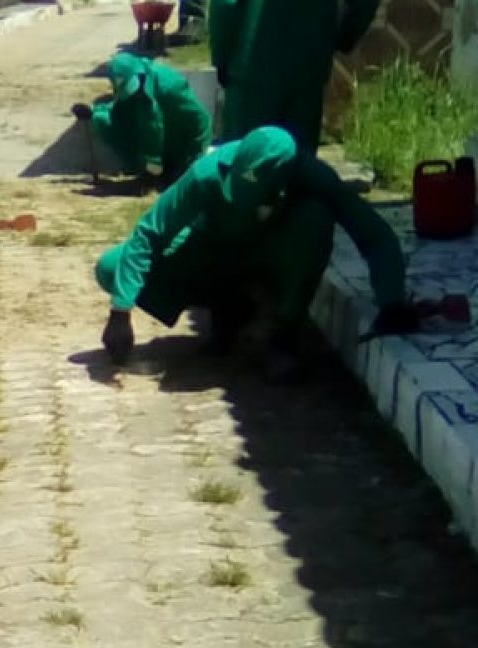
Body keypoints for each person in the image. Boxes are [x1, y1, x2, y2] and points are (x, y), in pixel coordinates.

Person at [94, 126, 417, 381]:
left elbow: (373, 235)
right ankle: (229, 307)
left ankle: (282, 334)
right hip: (211, 252)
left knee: (316, 219)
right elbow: (149, 233)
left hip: (264, 257)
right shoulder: (207, 173)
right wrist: (120, 312)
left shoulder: (313, 178)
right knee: (111, 267)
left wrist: (391, 301)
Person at [210, 0, 379, 152]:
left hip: (251, 67)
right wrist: (343, 37)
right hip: (308, 67)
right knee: (298, 163)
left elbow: (224, 4)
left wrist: (221, 56)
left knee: (244, 159)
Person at [72, 51, 211, 188]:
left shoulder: (168, 85)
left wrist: (154, 162)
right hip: (164, 144)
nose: (134, 92)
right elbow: (118, 113)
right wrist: (93, 112)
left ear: (139, 73)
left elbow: (156, 124)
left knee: (184, 183)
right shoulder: (135, 92)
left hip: (187, 141)